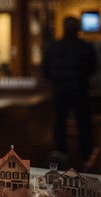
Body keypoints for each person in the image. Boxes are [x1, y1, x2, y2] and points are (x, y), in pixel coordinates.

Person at [42, 16, 97, 164]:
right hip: (79, 89)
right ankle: (87, 157)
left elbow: (45, 71)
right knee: (84, 124)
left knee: (60, 123)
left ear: (63, 28)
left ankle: (61, 155)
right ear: (78, 28)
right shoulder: (86, 46)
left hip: (59, 90)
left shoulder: (53, 46)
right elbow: (93, 69)